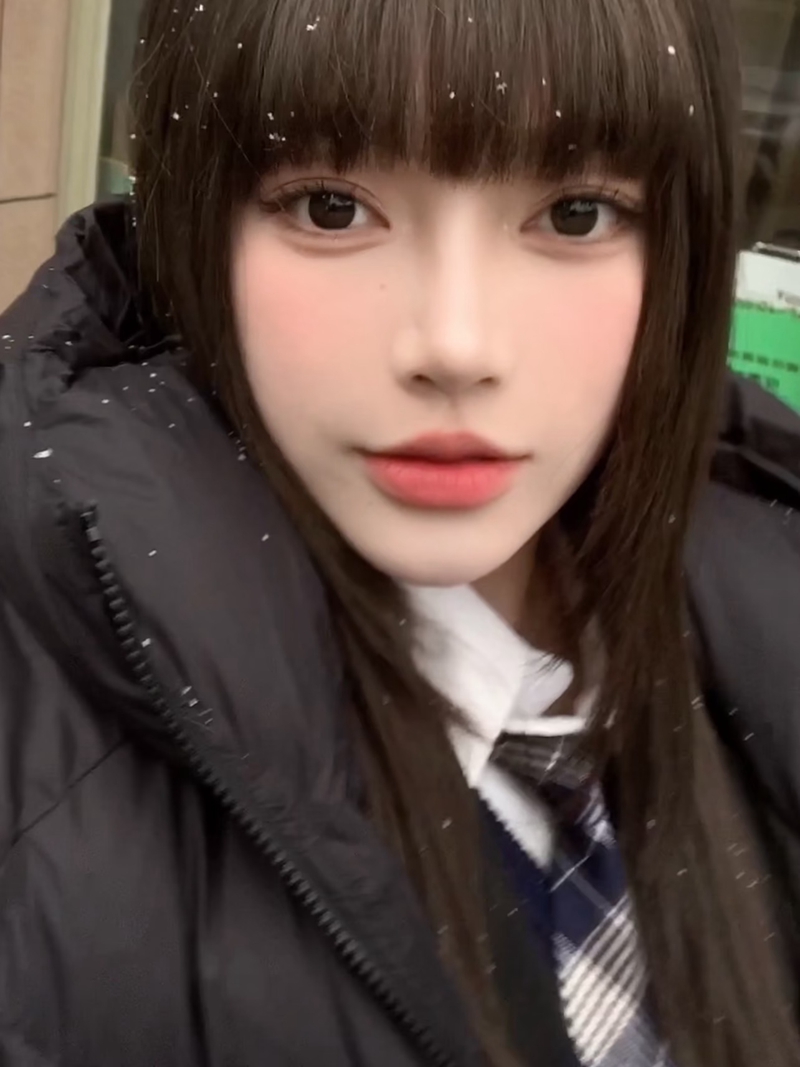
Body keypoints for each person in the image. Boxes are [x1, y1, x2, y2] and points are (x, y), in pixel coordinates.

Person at [0, 0, 799, 1064]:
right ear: (199, 227)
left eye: (574, 215)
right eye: (332, 208)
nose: (456, 345)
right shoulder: (46, 758)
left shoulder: (759, 561)